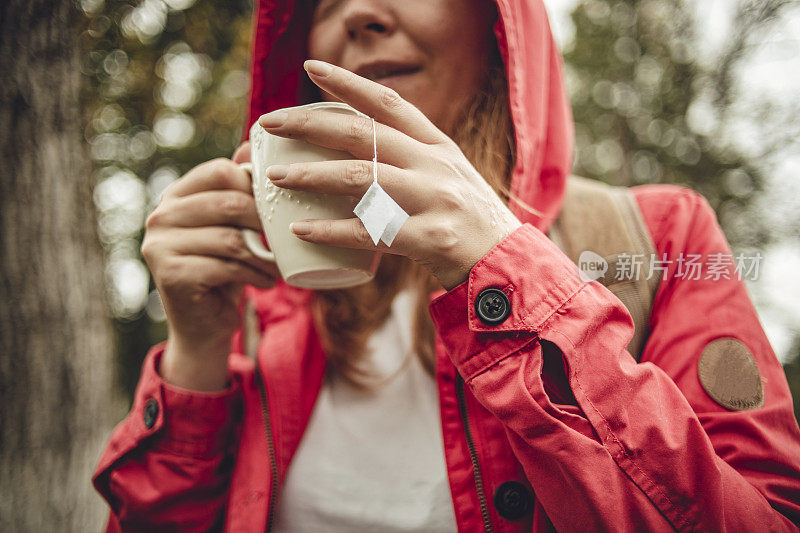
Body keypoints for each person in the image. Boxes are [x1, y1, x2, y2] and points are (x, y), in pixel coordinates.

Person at [93, 0, 800, 531]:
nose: (360, 16)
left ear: (500, 26)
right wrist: (193, 356)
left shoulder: (662, 235)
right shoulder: (262, 296)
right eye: (325, 3)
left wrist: (507, 267)